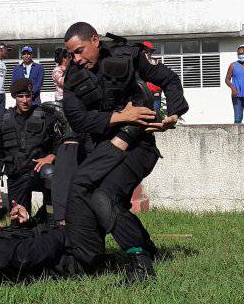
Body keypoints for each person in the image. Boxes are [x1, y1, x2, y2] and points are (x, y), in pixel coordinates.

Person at [62, 22, 187, 282]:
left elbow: (169, 79)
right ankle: (135, 250)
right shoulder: (73, 78)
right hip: (100, 150)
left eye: (80, 50)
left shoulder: (127, 56)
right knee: (94, 201)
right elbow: (79, 121)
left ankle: (140, 264)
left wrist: (173, 114)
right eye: (71, 54)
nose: (76, 59)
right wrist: (122, 115)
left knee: (105, 197)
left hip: (138, 145)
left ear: (95, 40)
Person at [0, 78, 66, 218]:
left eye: (28, 96)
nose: (25, 100)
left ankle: (49, 219)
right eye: (20, 96)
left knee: (50, 174)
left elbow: (60, 142)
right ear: (14, 97)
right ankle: (32, 225)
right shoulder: (3, 121)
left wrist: (51, 156)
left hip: (39, 172)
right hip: (16, 175)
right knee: (19, 222)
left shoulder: (46, 117)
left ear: (33, 96)